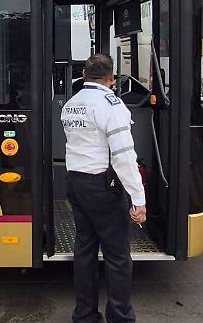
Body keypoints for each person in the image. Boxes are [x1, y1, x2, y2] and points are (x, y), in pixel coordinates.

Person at [61, 53, 146, 323]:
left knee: (84, 251)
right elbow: (123, 156)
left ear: (84, 75)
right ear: (112, 79)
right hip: (103, 187)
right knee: (118, 255)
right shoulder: (111, 105)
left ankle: (84, 316)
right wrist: (138, 198)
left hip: (76, 183)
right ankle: (120, 317)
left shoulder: (71, 104)